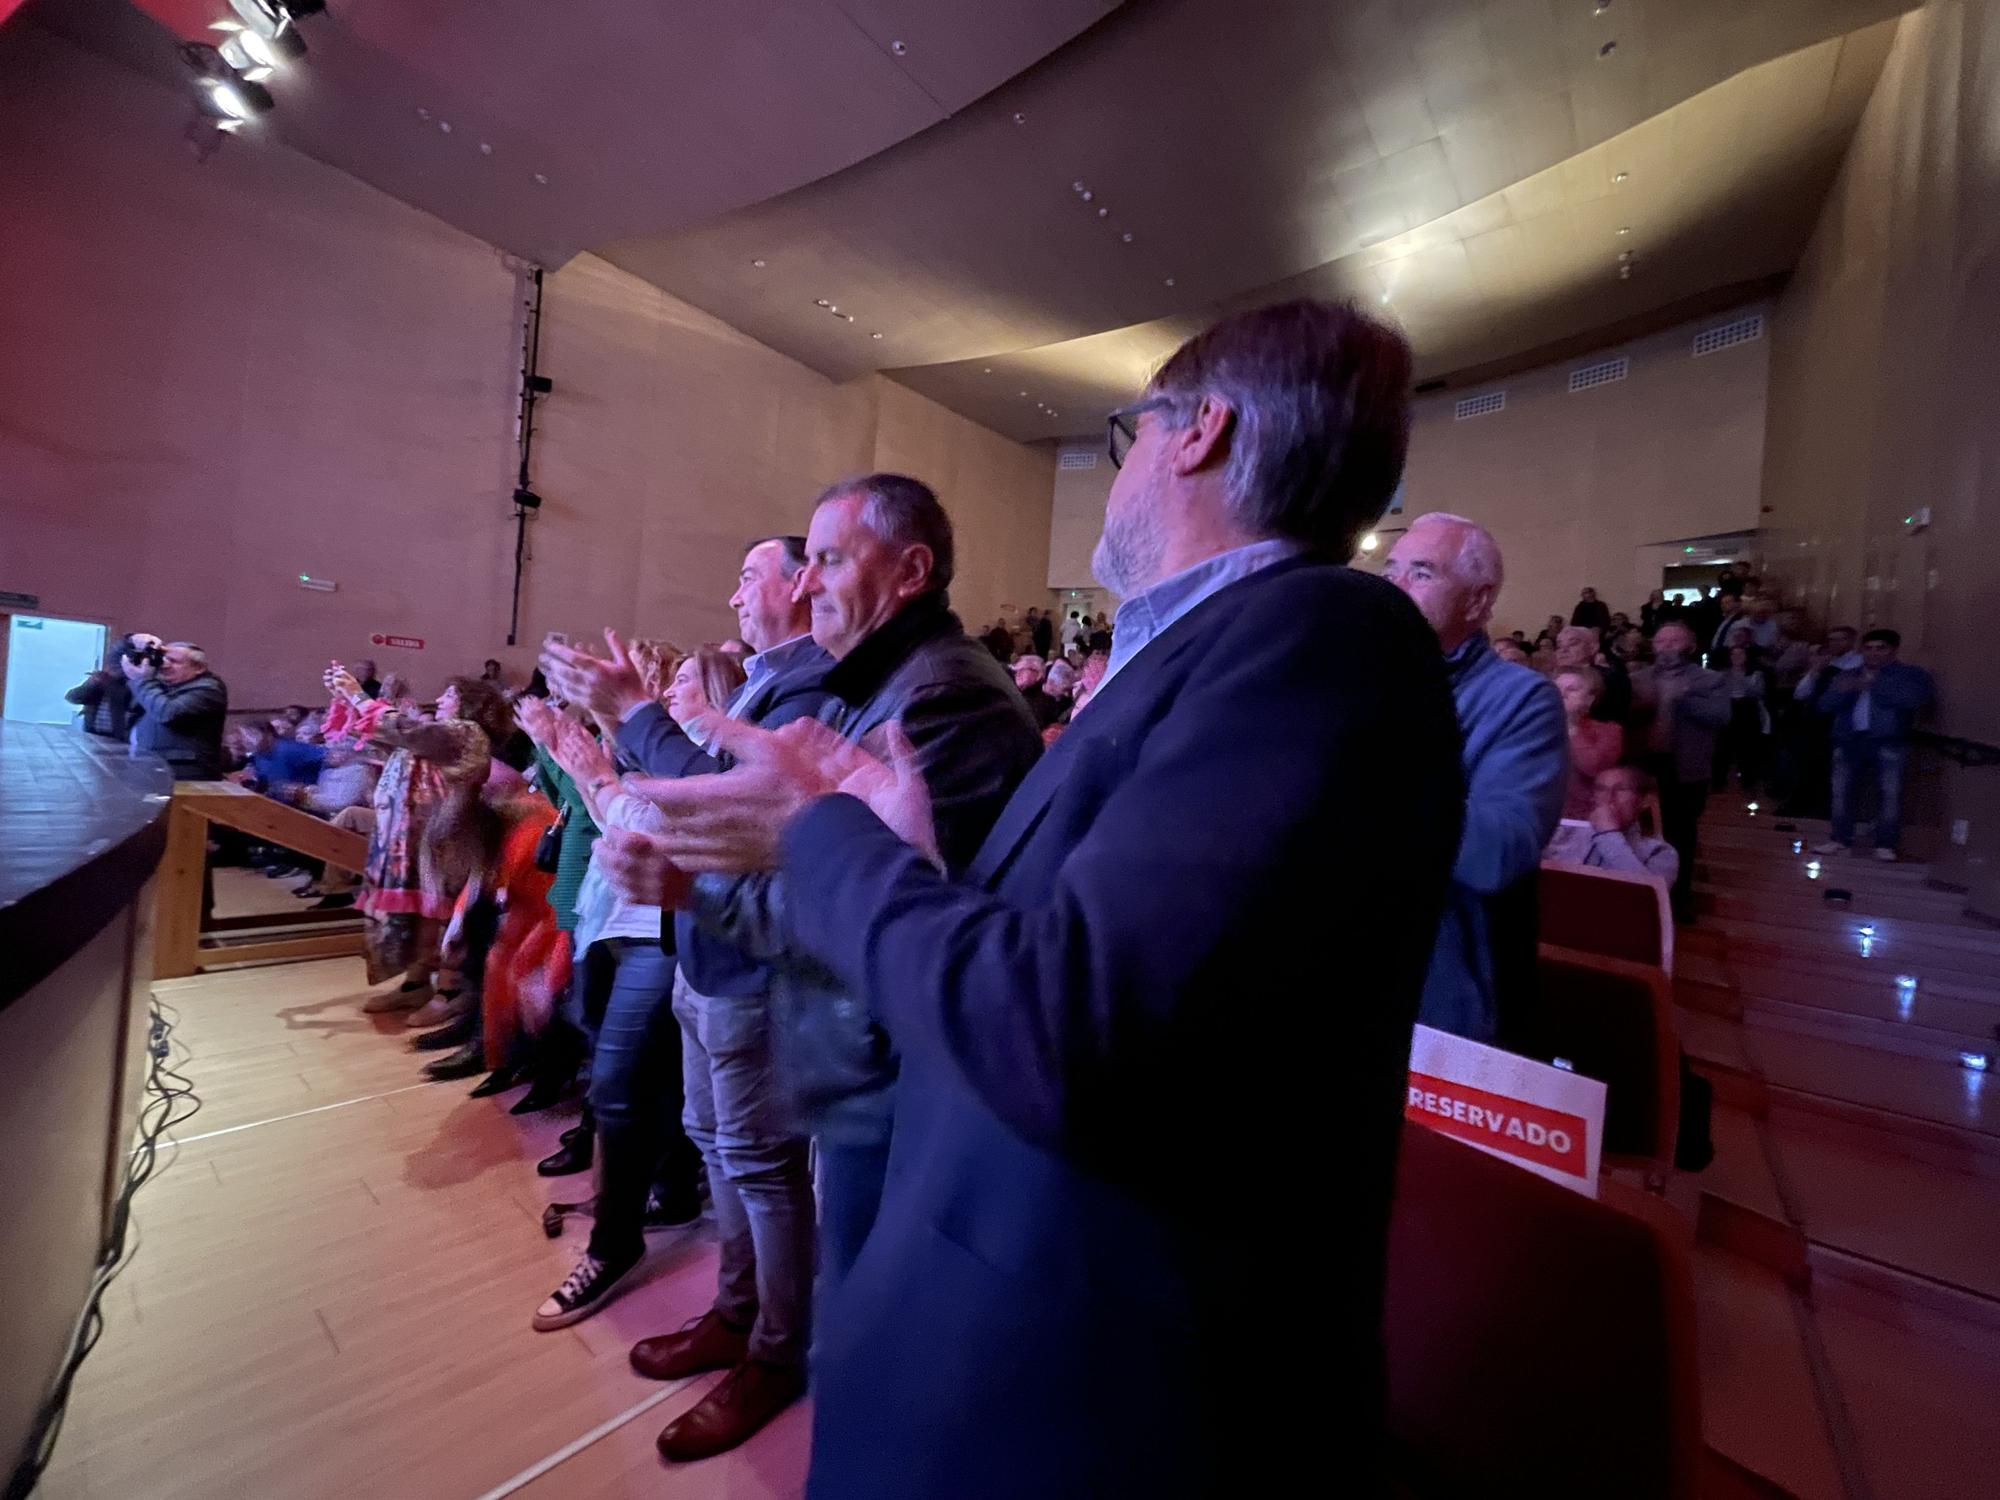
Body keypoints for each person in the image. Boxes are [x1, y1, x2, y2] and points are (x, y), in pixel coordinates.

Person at [600, 298, 1462, 1500]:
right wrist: (908, 853)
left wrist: (822, 834)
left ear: (1197, 431)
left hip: (1088, 1382)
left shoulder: (1317, 637)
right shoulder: (1198, 652)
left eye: (1127, 436)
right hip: (1008, 1311)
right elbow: (1076, 950)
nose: (1117, 478)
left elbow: (1068, 1027)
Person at [668, 477, 1041, 1389]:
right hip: (858, 1057)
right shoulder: (884, 682)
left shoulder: (938, 696)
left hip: (897, 1075)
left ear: (911, 571)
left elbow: (864, 906)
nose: (806, 586)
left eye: (830, 559)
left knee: (871, 1340)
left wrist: (689, 882)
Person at [537, 539, 833, 1461]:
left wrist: (620, 726)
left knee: (760, 1163)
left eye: (751, 576)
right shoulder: (759, 683)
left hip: (753, 960)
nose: (734, 593)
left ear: (801, 585)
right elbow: (676, 804)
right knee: (716, 1145)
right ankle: (734, 1314)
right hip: (702, 947)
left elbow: (704, 800)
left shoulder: (813, 683)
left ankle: (777, 1353)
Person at [1384, 514, 1567, 1047]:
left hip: (1436, 984)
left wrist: (1368, 763)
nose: (1394, 587)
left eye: (1421, 573)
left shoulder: (1523, 699)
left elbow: (1498, 854)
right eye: (1390, 569)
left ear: (1477, 602)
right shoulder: (1355, 676)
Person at [1629, 622, 1729, 921]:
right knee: (1637, 829)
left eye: (1675, 640)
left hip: (1685, 767)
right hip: (1643, 763)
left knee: (1681, 834)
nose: (1667, 646)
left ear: (1690, 646)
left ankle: (1678, 899)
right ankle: (1640, 891)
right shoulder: (1637, 679)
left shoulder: (1709, 680)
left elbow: (1721, 717)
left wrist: (1685, 698)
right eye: (1661, 641)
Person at [1813, 628, 1935, 861]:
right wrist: (1845, 691)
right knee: (1841, 792)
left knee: (1889, 794)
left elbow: (1913, 700)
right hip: (1849, 739)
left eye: (1881, 648)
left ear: (1893, 650)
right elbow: (1824, 705)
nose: (1874, 654)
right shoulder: (1847, 674)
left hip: (1889, 740)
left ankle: (1885, 843)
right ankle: (1839, 839)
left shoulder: (1909, 674)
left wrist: (1873, 685)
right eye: (1868, 648)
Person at [1547, 766, 1679, 884]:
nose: (1609, 797)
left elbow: (1645, 898)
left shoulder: (1660, 852)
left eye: (1621, 789)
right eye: (1601, 789)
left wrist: (1608, 833)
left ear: (1644, 801)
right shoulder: (1566, 834)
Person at [124, 640, 228, 780]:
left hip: (186, 774)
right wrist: (133, 640)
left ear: (199, 668)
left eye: (174, 661)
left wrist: (142, 680)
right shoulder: (163, 685)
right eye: (163, 658)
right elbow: (117, 661)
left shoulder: (209, 689)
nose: (164, 664)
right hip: (158, 768)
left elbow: (168, 713)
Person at [1554, 665, 1623, 820]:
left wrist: (1571, 726)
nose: (1562, 694)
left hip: (1585, 819)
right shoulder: (1535, 728)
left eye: (1571, 689)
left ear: (1589, 699)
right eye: (1556, 688)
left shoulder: (1609, 730)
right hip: (1539, 817)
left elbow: (1594, 768)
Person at [1713, 641, 1770, 793]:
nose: (1736, 656)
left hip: (1747, 710)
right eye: (1733, 654)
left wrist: (1740, 680)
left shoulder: (1756, 674)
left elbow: (1758, 693)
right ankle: (1718, 781)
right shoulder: (1722, 673)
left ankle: (1748, 781)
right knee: (1723, 747)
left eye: (1740, 653)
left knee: (1747, 748)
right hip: (1728, 709)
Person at [66, 635, 146, 740]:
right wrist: (92, 683)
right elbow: (72, 697)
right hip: (92, 735)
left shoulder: (138, 682)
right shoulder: (101, 679)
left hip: (120, 739)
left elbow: (131, 705)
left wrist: (112, 682)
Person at [1555, 624, 1627, 725]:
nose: (1563, 650)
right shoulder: (1551, 677)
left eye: (1573, 643)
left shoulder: (1609, 678)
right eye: (1559, 646)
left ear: (1593, 648)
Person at [1011, 654, 1064, 730]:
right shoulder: (1012, 699)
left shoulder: (1047, 702)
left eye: (1023, 670)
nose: (1018, 674)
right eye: (1016, 671)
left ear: (1039, 674)